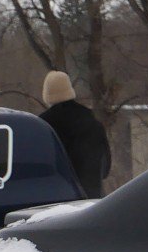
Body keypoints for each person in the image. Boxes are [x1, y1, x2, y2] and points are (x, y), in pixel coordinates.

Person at [38, 70, 110, 198]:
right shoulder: (92, 121)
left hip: (58, 200)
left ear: (46, 94)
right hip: (92, 201)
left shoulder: (43, 126)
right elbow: (105, 169)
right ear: (70, 90)